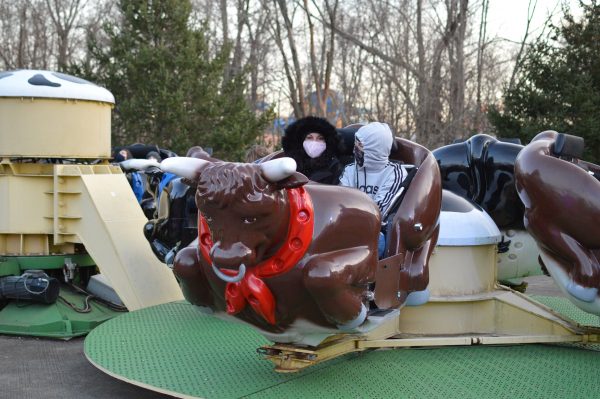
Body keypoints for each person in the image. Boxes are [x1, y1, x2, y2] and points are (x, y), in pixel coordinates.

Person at [339, 122, 407, 256]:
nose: (355, 149)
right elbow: (341, 201)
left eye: (360, 145)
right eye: (355, 143)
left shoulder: (395, 173)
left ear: (374, 148)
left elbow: (379, 210)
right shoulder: (350, 170)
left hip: (375, 231)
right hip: (347, 227)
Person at [281, 116, 342, 184]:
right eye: (309, 138)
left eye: (320, 138)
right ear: (301, 141)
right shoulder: (291, 165)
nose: (314, 142)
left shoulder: (334, 167)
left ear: (327, 142)